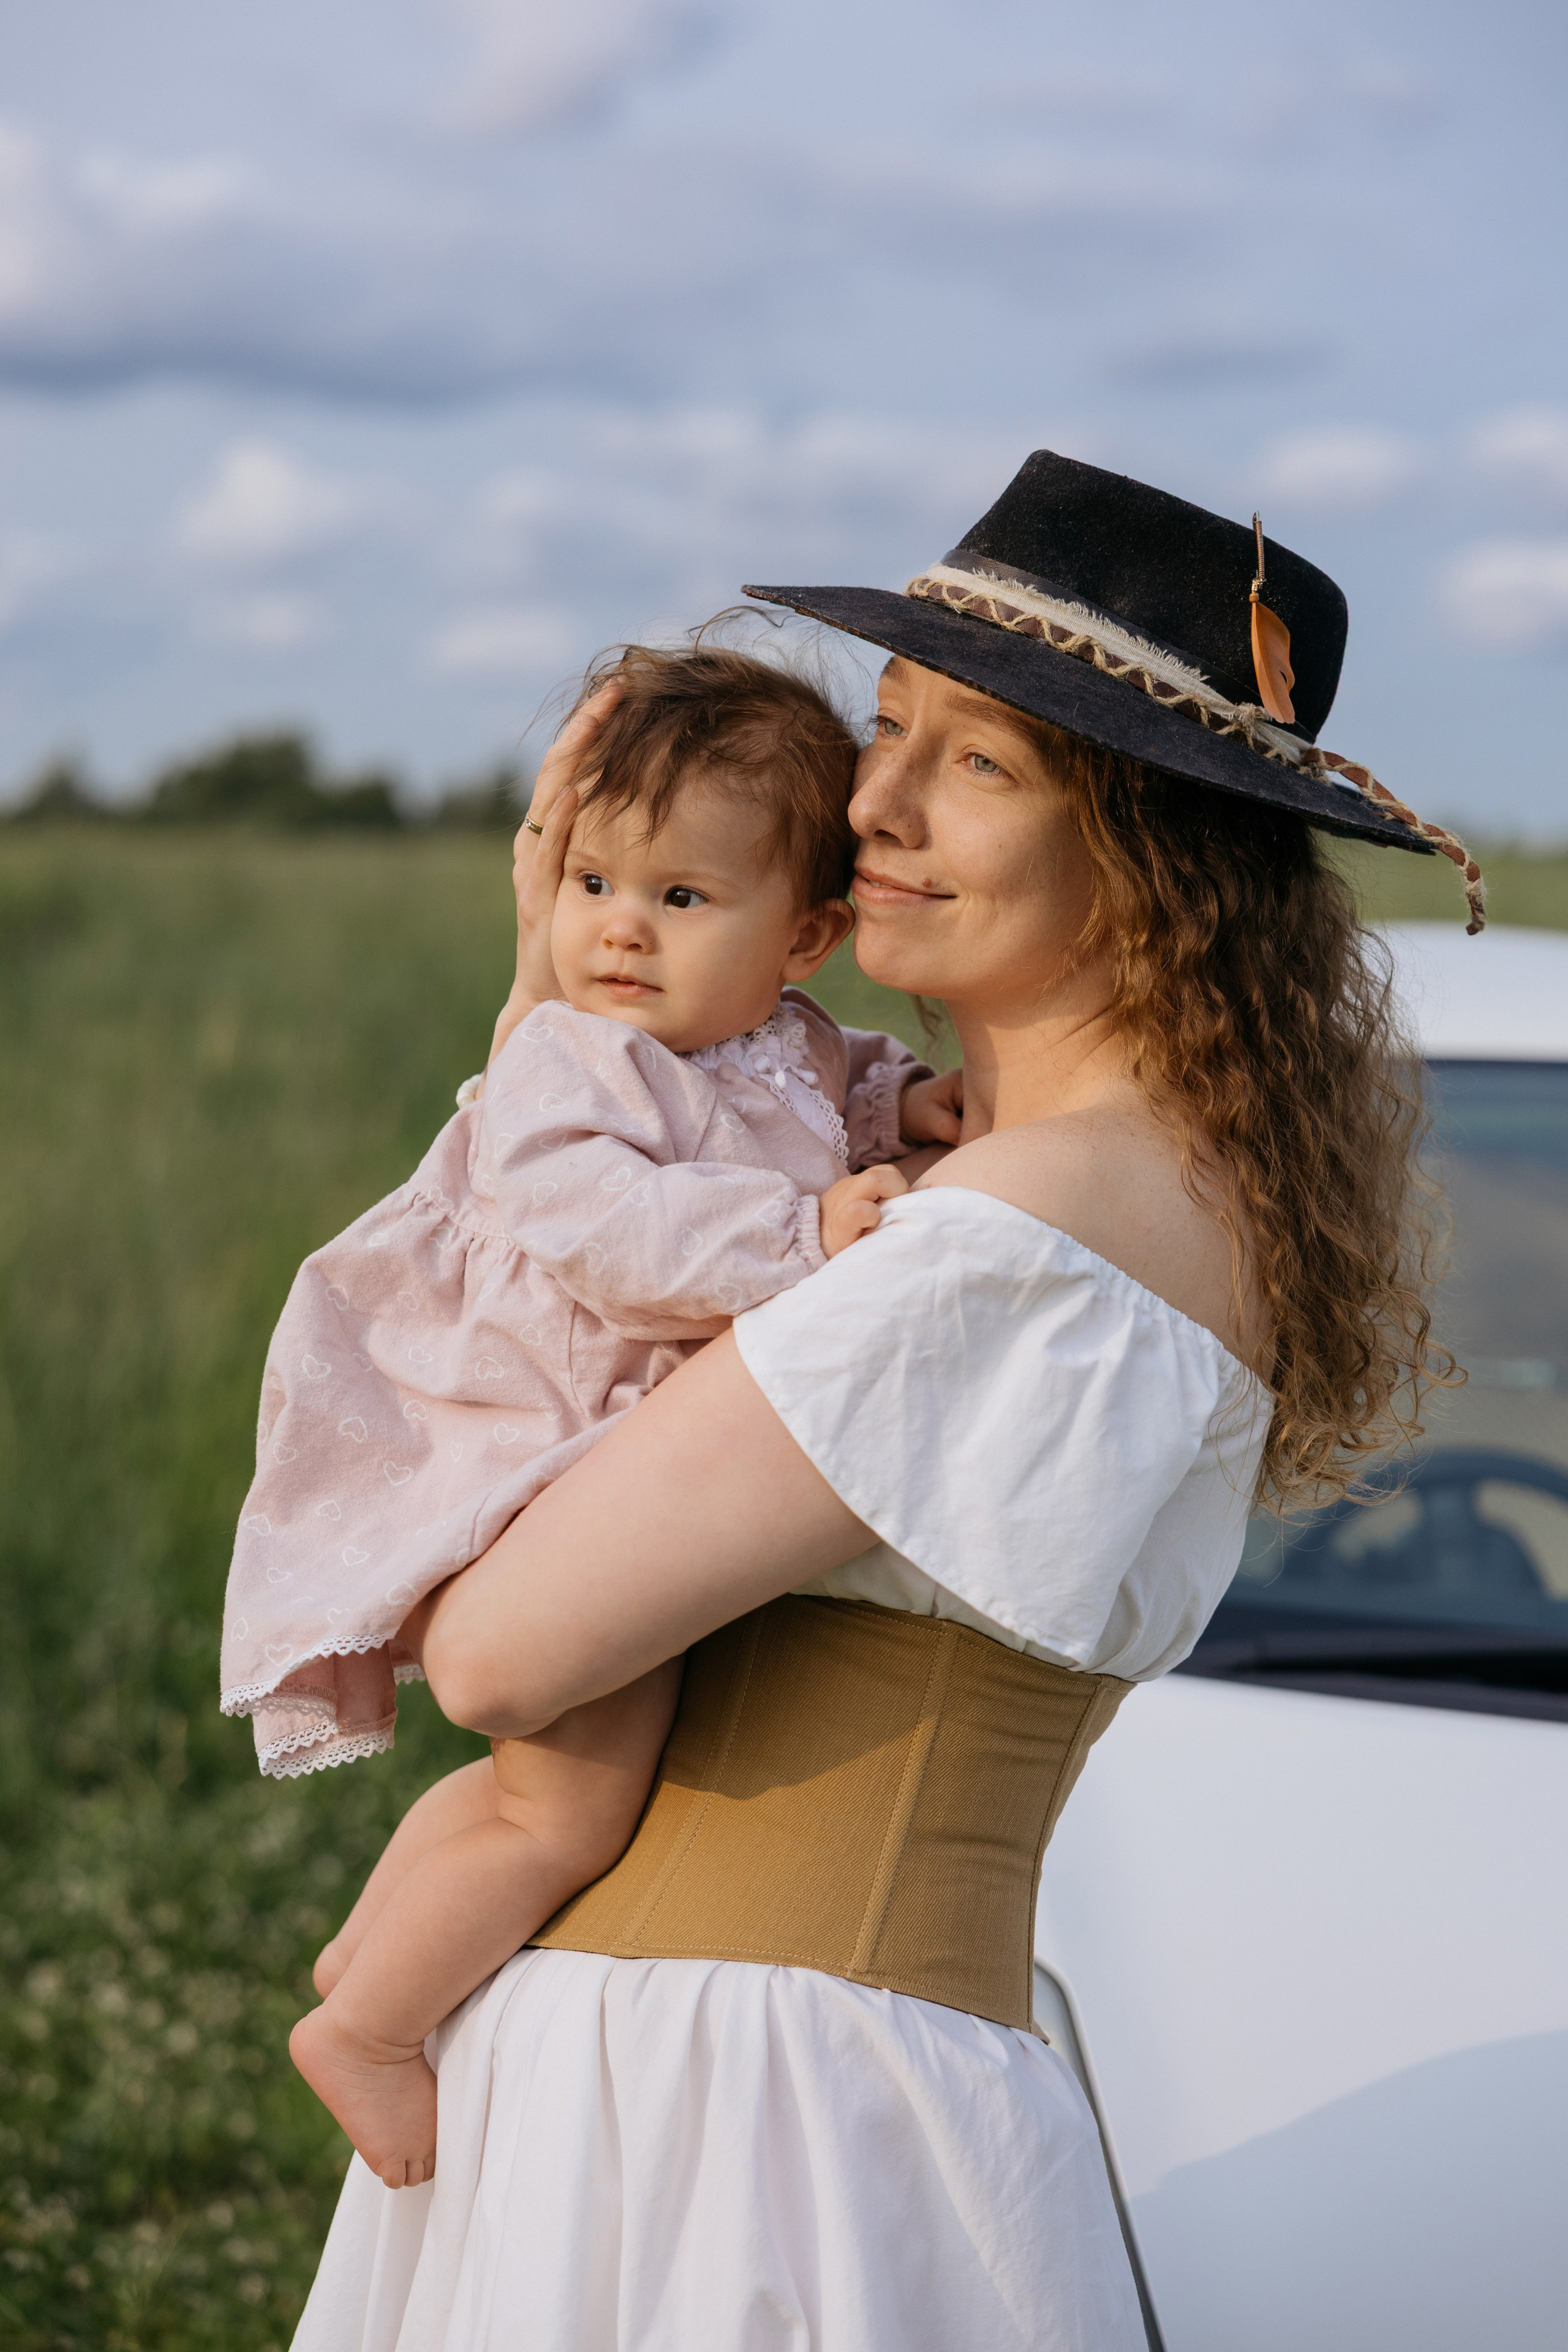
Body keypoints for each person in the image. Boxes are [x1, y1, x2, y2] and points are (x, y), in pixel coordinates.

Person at [290, 450, 1479, 2351]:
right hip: (781, 2065)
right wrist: (581, 1001)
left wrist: (557, 1026)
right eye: (893, 730)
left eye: (983, 766)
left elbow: (503, 1659)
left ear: (1156, 846)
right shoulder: (1090, 1186)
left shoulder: (1025, 1228)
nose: (880, 806)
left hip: (743, 2104)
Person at [221, 646, 956, 2188]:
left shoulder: (788, 1039)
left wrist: (910, 1112)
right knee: (569, 1808)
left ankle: (362, 1960)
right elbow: (604, 1234)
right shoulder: (573, 1056)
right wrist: (804, 1239)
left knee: (518, 1791)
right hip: (537, 1439)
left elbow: (830, 1098)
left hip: (624, 1443)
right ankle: (367, 2032)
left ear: (803, 936)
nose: (618, 927)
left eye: (682, 900)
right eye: (594, 881)